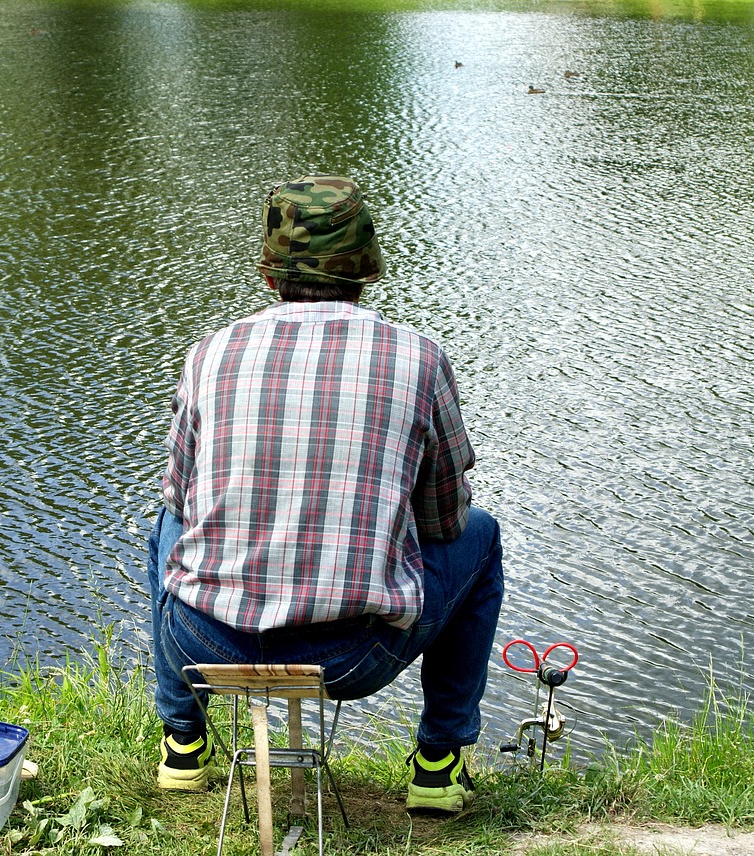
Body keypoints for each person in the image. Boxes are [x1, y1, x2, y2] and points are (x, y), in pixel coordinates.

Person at [147, 174, 503, 814]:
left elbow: (180, 498)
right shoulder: (419, 359)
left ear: (269, 272)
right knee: (482, 536)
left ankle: (182, 740)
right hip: (351, 658)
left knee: (164, 530)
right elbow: (446, 520)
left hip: (209, 648)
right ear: (365, 267)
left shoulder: (210, 353)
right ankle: (440, 762)